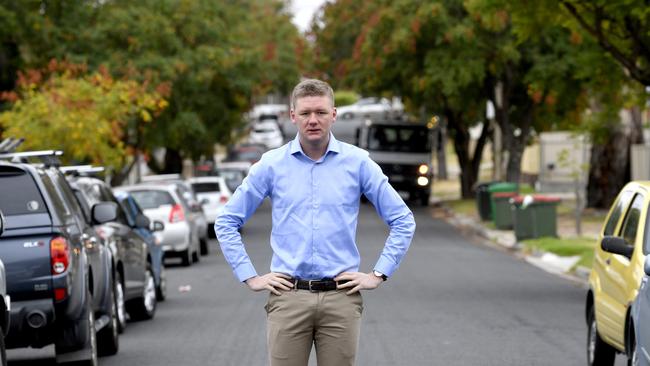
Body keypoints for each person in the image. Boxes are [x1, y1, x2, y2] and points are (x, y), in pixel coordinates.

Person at [215, 79, 415, 366]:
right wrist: (250, 276)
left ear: (333, 115)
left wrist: (378, 274)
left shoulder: (358, 163)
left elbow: (403, 219)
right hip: (288, 297)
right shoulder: (271, 165)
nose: (313, 120)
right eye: (306, 113)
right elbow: (226, 221)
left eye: (321, 112)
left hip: (341, 299)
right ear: (292, 116)